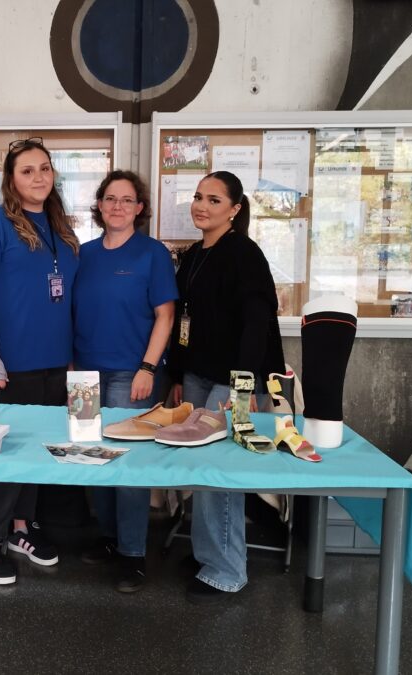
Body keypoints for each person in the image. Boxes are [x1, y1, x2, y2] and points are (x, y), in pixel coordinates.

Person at [0, 137, 80, 585]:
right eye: (27, 170)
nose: (39, 177)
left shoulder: (60, 227)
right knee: (7, 455)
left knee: (35, 452)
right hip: (9, 366)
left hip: (53, 363)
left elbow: (64, 296)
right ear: (11, 179)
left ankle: (20, 529)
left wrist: (69, 359)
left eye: (45, 169)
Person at [166, 170, 285, 601]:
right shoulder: (197, 253)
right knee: (201, 470)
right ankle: (206, 555)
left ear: (235, 210)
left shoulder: (244, 254)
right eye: (199, 197)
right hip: (197, 374)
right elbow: (185, 320)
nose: (202, 205)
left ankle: (228, 571)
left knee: (222, 472)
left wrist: (244, 386)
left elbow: (257, 326)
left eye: (214, 200)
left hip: (233, 381)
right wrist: (178, 376)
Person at [72, 170, 178, 593]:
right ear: (99, 205)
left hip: (131, 373)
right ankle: (110, 539)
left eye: (127, 199)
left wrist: (148, 369)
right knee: (93, 455)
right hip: (84, 373)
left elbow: (165, 316)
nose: (118, 206)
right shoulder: (83, 254)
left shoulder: (152, 254)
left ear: (140, 207)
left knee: (127, 461)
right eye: (110, 198)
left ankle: (133, 553)